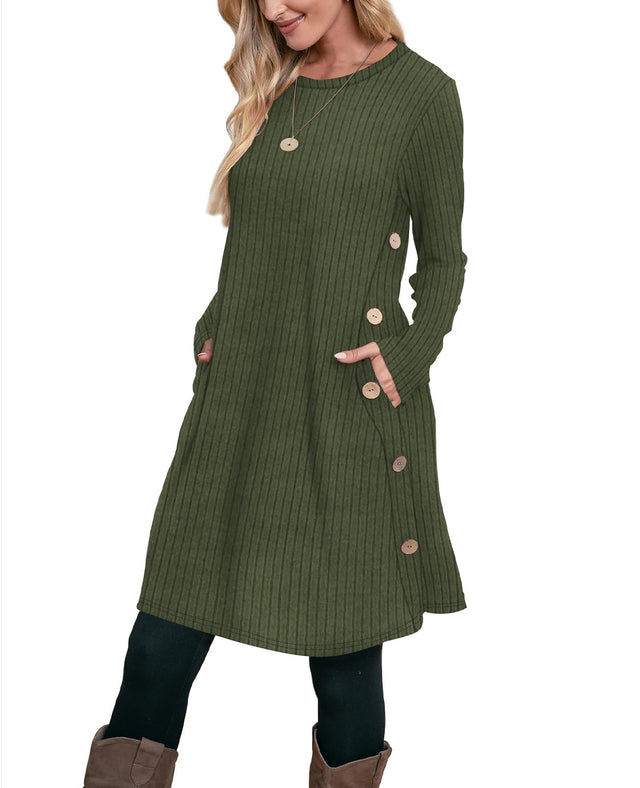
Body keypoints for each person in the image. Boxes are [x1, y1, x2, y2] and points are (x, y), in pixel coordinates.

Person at [81, 0, 469, 785]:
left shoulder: (422, 95)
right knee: (160, 642)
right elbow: (261, 236)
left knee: (345, 659)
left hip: (346, 405)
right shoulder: (275, 83)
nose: (274, 8)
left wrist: (407, 354)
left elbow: (443, 261)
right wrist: (215, 322)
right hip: (238, 404)